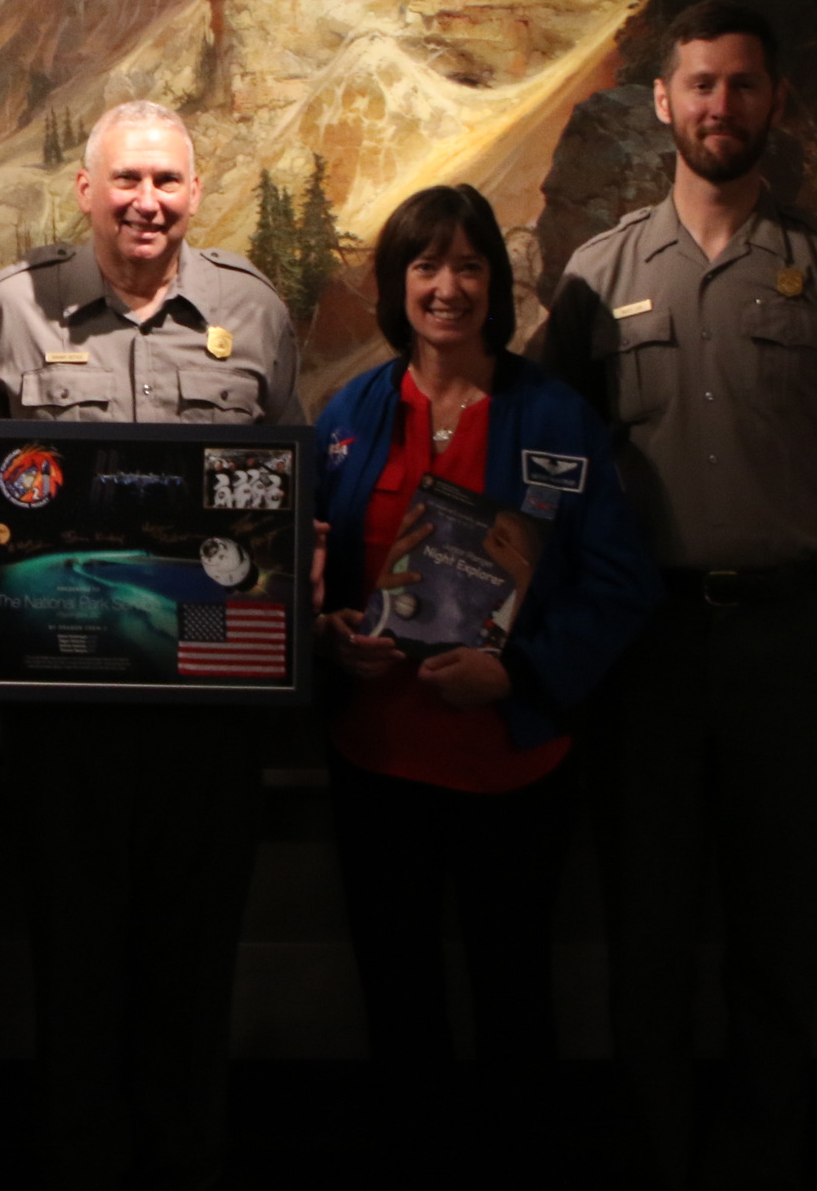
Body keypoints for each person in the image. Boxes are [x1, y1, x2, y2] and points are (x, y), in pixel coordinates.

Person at [539, 0, 817, 1188]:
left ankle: (765, 1163)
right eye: (699, 85)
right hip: (648, 652)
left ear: (775, 102)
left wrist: (775, 548)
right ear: (664, 102)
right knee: (648, 938)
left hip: (790, 651)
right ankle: (659, 1160)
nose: (720, 107)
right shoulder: (597, 278)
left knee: (777, 935)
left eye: (743, 85)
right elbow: (565, 466)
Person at [0, 99, 301, 1191]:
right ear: (86, 191)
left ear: (195, 191)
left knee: (193, 974)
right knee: (76, 971)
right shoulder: (16, 310)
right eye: (126, 182)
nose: (148, 202)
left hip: (210, 716)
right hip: (64, 719)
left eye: (167, 183)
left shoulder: (253, 312)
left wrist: (301, 551)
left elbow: (288, 485)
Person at [313, 185, 658, 1168]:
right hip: (376, 763)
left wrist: (520, 676)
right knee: (397, 1000)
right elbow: (314, 565)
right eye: (427, 266)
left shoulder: (556, 417)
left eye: (469, 266)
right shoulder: (351, 414)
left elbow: (620, 584)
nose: (448, 287)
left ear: (495, 286)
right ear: (398, 284)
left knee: (515, 1001)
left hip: (511, 770)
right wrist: (334, 632)